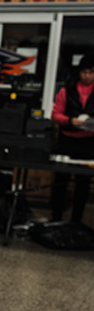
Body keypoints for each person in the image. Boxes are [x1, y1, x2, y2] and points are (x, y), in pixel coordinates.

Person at [49, 54, 94, 224]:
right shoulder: (66, 90)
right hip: (67, 139)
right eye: (84, 72)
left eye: (91, 72)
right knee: (60, 180)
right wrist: (70, 121)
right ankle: (56, 217)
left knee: (83, 182)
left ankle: (76, 220)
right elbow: (56, 114)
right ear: (79, 72)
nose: (87, 76)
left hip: (89, 142)